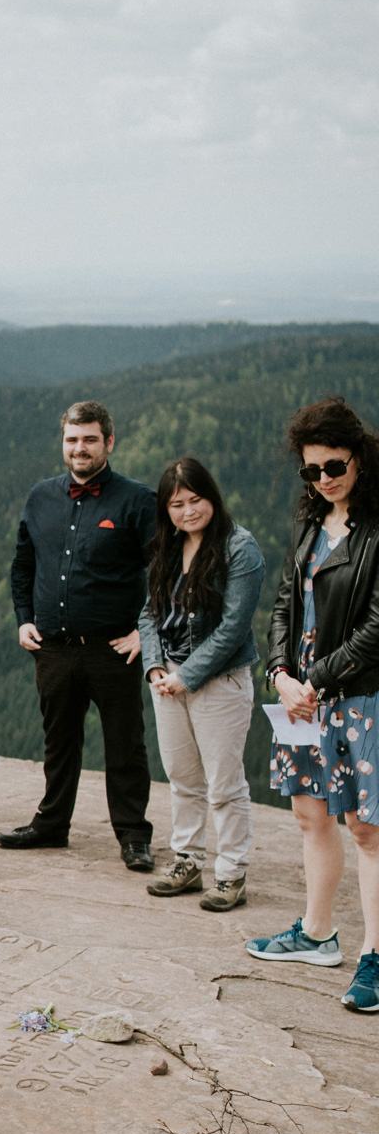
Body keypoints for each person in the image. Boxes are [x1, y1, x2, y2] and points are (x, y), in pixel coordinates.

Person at [246, 396, 379, 1015]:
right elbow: (282, 602)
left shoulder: (377, 527)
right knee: (309, 815)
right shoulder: (309, 521)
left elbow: (377, 628)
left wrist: (314, 681)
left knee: (368, 830)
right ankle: (318, 933)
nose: (323, 479)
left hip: (356, 696)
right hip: (302, 698)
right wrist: (279, 671)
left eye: (334, 466)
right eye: (311, 470)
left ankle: (374, 958)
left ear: (360, 457)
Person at [0, 401, 156, 869]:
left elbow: (166, 572)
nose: (79, 448)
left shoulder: (136, 500)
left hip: (113, 648)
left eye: (89, 439)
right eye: (72, 439)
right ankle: (51, 826)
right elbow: (23, 563)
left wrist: (146, 631)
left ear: (109, 441)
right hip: (53, 648)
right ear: (62, 443)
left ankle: (132, 837)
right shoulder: (41, 496)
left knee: (125, 745)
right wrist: (24, 617)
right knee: (58, 742)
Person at [138, 458, 264, 911]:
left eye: (195, 500)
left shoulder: (239, 549)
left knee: (224, 784)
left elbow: (233, 628)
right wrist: (155, 667)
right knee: (183, 777)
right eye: (177, 504)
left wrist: (185, 677)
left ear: (211, 497)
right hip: (167, 678)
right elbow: (149, 612)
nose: (188, 511)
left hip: (219, 682)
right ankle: (187, 860)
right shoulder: (168, 547)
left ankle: (231, 873)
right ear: (166, 509)